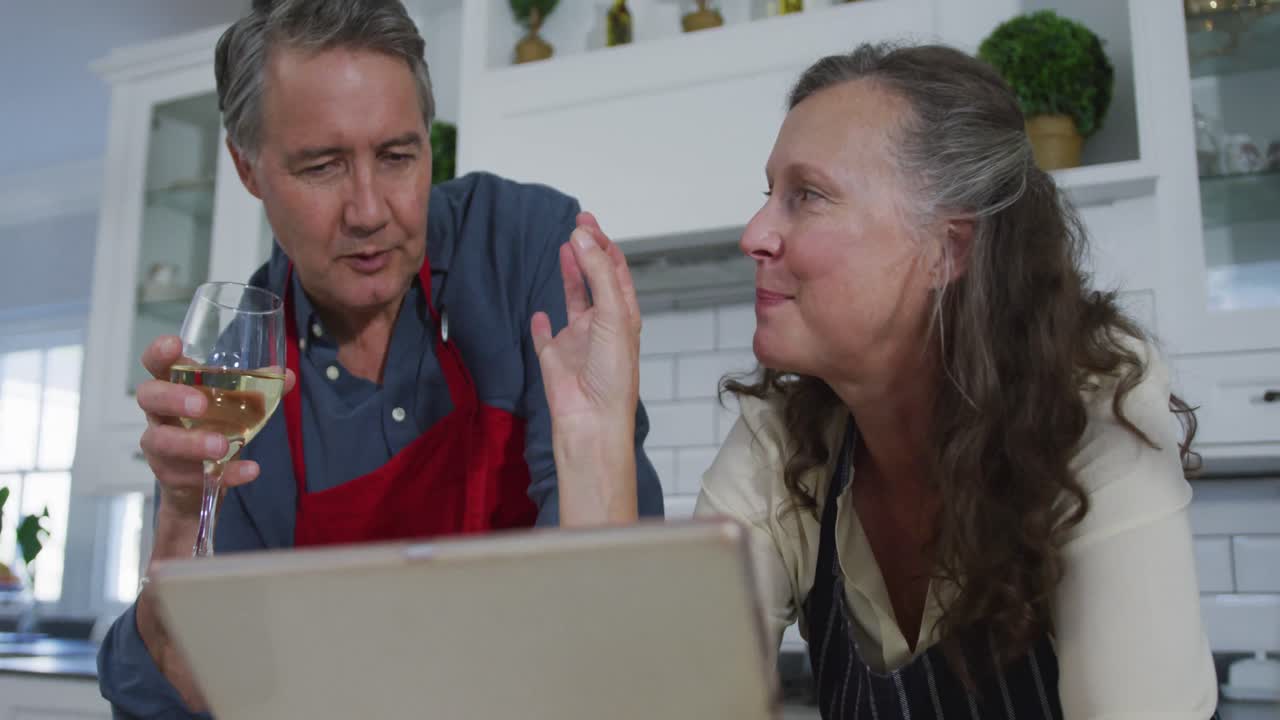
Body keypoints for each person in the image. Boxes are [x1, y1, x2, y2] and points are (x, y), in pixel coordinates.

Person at [536, 43, 1221, 719]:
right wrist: (594, 430)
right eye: (768, 194)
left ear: (946, 250)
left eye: (806, 195)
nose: (753, 234)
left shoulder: (1097, 408)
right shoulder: (787, 438)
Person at [96, 1, 663, 716]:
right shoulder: (240, 369)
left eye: (397, 156)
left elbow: (621, 603)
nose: (368, 210)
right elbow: (189, 697)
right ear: (248, 169)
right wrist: (181, 515)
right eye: (323, 166)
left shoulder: (521, 247)